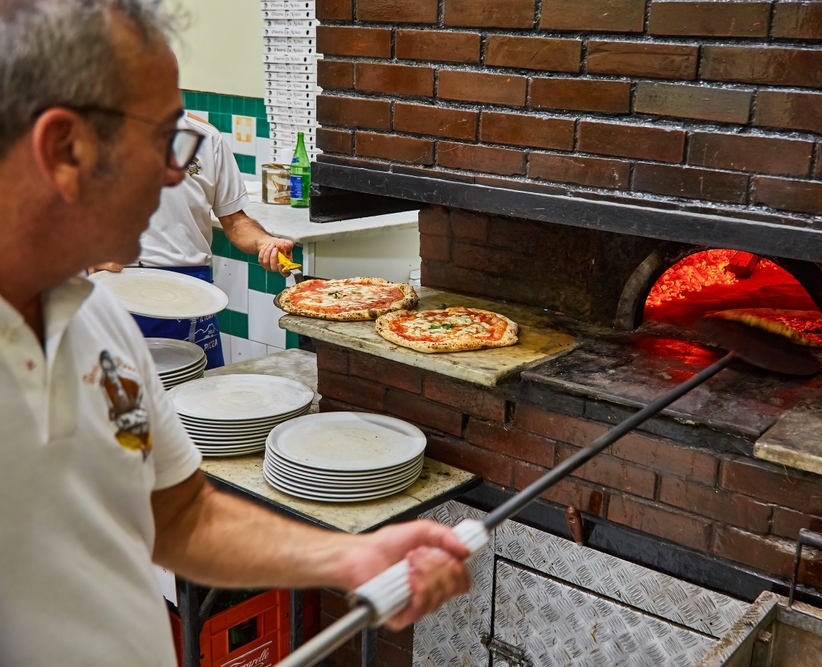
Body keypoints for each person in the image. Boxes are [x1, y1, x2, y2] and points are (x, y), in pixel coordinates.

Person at [0, 2, 470, 665]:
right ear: (64, 147)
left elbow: (183, 514)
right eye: (166, 139)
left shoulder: (99, 316)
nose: (176, 169)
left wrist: (350, 555)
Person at [93, 113, 293, 368]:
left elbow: (235, 221)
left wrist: (264, 242)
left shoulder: (205, 138)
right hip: (111, 290)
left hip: (190, 295)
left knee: (199, 398)